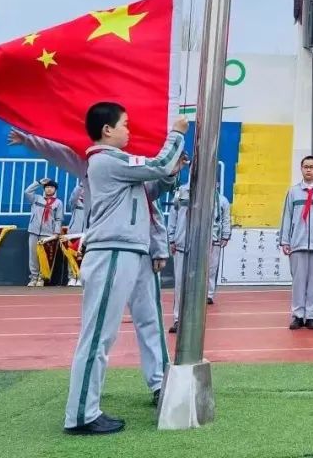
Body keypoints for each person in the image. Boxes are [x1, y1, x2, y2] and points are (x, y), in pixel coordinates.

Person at [62, 103, 186, 435]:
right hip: (112, 251)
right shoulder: (106, 160)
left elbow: (151, 187)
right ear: (107, 130)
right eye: (125, 124)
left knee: (143, 323)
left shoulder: (118, 164)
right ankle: (81, 414)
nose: (129, 130)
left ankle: (156, 385)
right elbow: (158, 164)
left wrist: (170, 173)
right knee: (98, 335)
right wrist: (176, 134)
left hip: (132, 250)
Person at [278, 155, 313, 330]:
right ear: (301, 169)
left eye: (312, 167)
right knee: (298, 283)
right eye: (305, 167)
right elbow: (287, 217)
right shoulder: (293, 192)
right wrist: (285, 241)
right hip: (297, 244)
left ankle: (310, 315)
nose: (309, 170)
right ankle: (297, 315)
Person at [167, 182, 232, 333]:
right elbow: (173, 216)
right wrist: (171, 238)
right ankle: (178, 319)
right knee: (180, 285)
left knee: (202, 280)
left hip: (205, 245)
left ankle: (195, 318)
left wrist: (224, 235)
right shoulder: (181, 192)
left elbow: (223, 219)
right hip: (182, 244)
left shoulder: (217, 199)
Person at [24, 178, 64, 287]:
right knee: (33, 256)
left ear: (55, 189)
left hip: (48, 234)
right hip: (34, 231)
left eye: (51, 187)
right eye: (47, 187)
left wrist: (56, 232)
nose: (49, 189)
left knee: (44, 257)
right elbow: (27, 192)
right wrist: (38, 183)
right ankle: (33, 277)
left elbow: (58, 219)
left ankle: (41, 277)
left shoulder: (58, 203)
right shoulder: (36, 198)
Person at [65, 182, 87, 286]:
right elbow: (74, 197)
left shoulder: (92, 203)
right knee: (72, 255)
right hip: (74, 233)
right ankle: (72, 277)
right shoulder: (74, 203)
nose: (83, 191)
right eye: (82, 190)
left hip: (87, 233)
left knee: (84, 256)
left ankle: (81, 278)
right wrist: (80, 185)